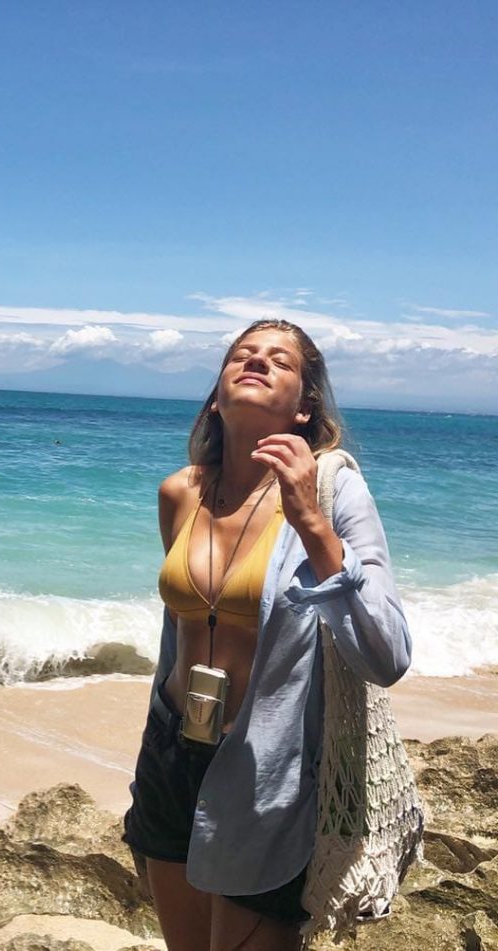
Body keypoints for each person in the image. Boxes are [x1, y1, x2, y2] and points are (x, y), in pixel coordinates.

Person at [123, 319, 411, 951]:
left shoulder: (333, 490)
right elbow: (181, 629)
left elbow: (388, 653)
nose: (256, 362)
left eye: (279, 361)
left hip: (265, 766)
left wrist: (311, 523)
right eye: (242, 355)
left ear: (305, 408)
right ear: (215, 397)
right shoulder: (180, 492)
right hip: (172, 746)